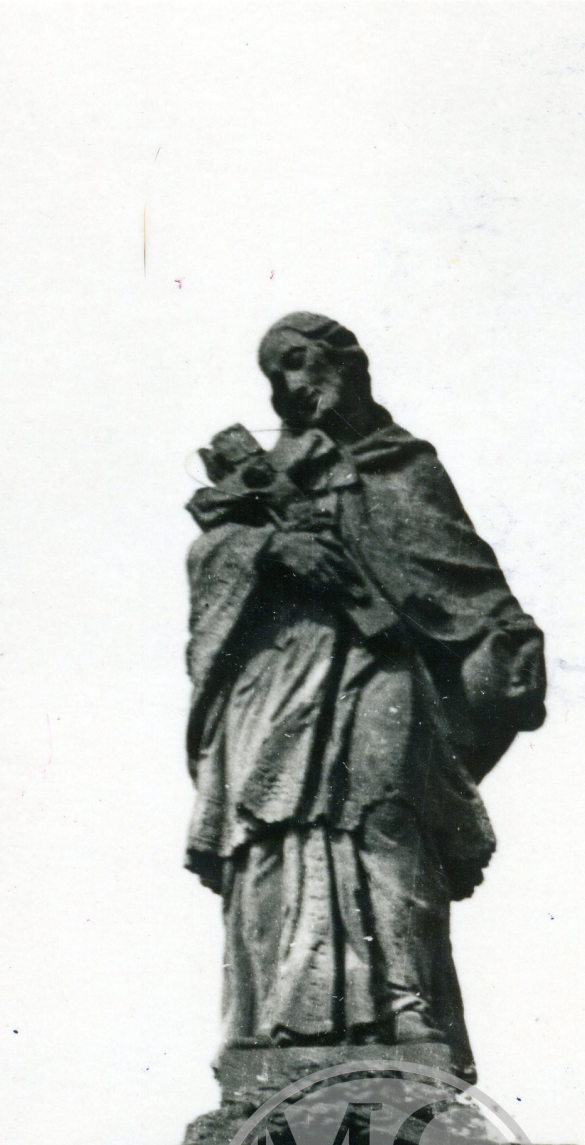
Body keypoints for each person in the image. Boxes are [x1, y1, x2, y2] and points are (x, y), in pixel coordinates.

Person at [183, 313, 546, 1074]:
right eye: (276, 371)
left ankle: (409, 1011)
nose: (290, 382)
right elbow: (211, 557)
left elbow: (460, 572)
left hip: (377, 662)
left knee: (389, 812)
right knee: (271, 834)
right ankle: (272, 1029)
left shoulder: (399, 464)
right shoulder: (254, 479)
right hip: (275, 677)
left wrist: (501, 645)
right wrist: (272, 548)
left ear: (347, 363)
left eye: (300, 360)